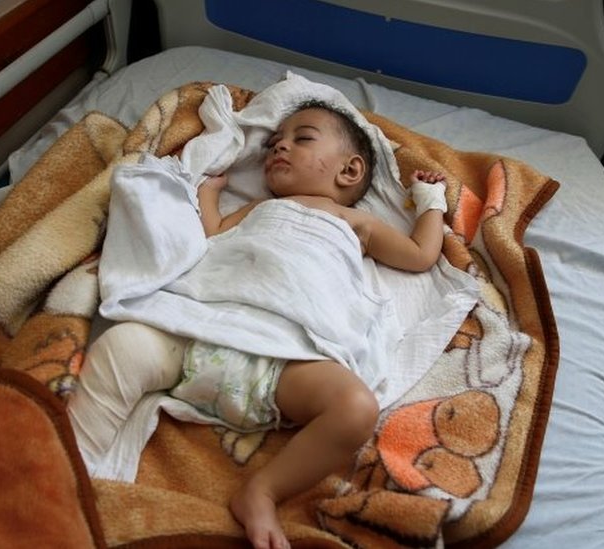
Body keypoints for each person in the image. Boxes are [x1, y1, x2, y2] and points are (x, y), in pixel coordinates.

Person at [71, 100, 448, 549]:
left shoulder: (355, 223)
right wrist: (208, 191)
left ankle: (262, 490)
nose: (279, 147)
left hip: (284, 357)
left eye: (301, 138)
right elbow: (212, 237)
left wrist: (431, 201)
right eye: (273, 142)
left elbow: (421, 255)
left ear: (349, 171)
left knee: (355, 409)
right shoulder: (256, 210)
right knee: (124, 346)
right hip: (200, 331)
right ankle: (70, 466)